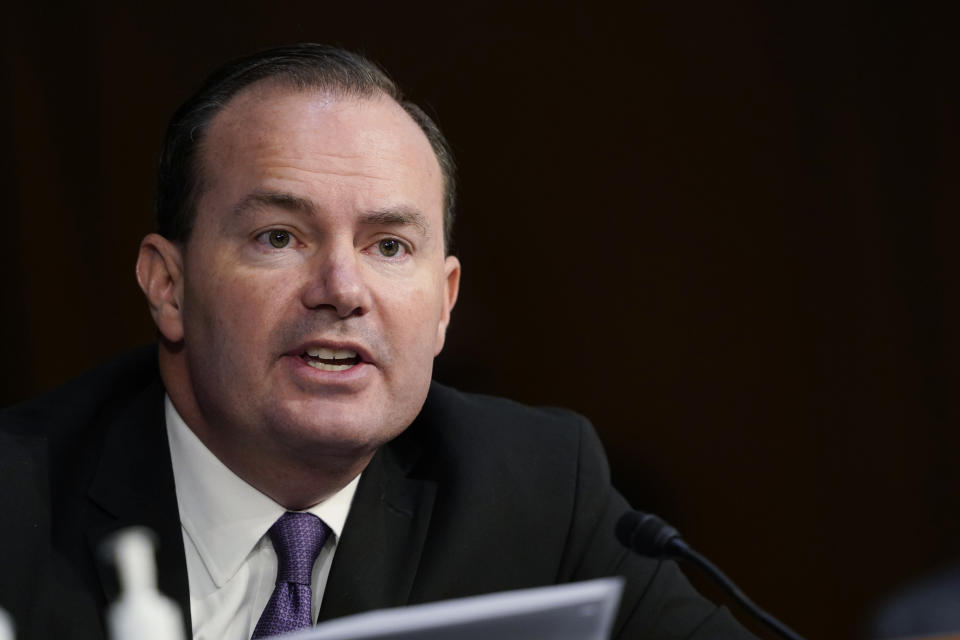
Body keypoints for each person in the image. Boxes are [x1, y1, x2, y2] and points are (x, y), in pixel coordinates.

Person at [0, 44, 756, 640]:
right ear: (169, 286)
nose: (341, 287)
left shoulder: (537, 492)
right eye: (279, 236)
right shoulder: (17, 505)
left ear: (444, 304)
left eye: (389, 246)